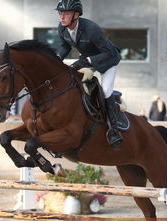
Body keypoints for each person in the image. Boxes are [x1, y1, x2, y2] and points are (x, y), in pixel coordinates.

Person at [55, 0, 122, 148]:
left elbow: (109, 52)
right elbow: (65, 46)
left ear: (76, 14)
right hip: (88, 60)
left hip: (108, 61)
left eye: (65, 13)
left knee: (105, 91)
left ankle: (114, 131)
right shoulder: (62, 28)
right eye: (60, 13)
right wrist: (56, 58)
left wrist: (88, 60)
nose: (62, 16)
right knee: (74, 84)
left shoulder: (92, 29)